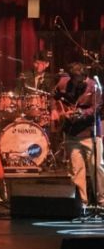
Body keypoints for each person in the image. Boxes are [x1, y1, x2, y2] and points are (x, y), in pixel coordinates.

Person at [51, 62, 104, 214]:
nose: (79, 83)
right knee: (76, 170)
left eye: (81, 80)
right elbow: (53, 96)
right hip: (72, 134)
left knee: (97, 168)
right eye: (76, 80)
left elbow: (97, 108)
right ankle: (82, 204)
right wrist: (55, 111)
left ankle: (101, 202)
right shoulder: (63, 83)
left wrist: (82, 114)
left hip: (90, 133)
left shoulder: (94, 86)